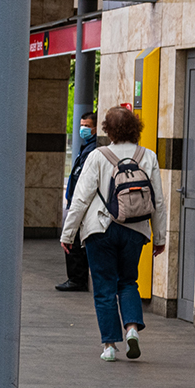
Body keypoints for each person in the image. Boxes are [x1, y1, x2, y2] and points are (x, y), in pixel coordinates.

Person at [61, 105, 167, 362]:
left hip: (101, 229)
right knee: (128, 281)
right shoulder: (148, 156)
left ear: (107, 130)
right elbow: (158, 201)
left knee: (104, 286)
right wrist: (160, 237)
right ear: (135, 129)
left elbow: (81, 199)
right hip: (135, 230)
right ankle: (131, 328)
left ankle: (109, 345)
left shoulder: (98, 156)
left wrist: (68, 233)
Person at [55, 109, 99, 292]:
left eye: (87, 126)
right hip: (76, 200)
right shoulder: (87, 147)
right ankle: (77, 277)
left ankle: (77, 278)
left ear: (96, 128)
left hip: (81, 202)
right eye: (81, 126)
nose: (83, 130)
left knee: (72, 238)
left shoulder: (93, 150)